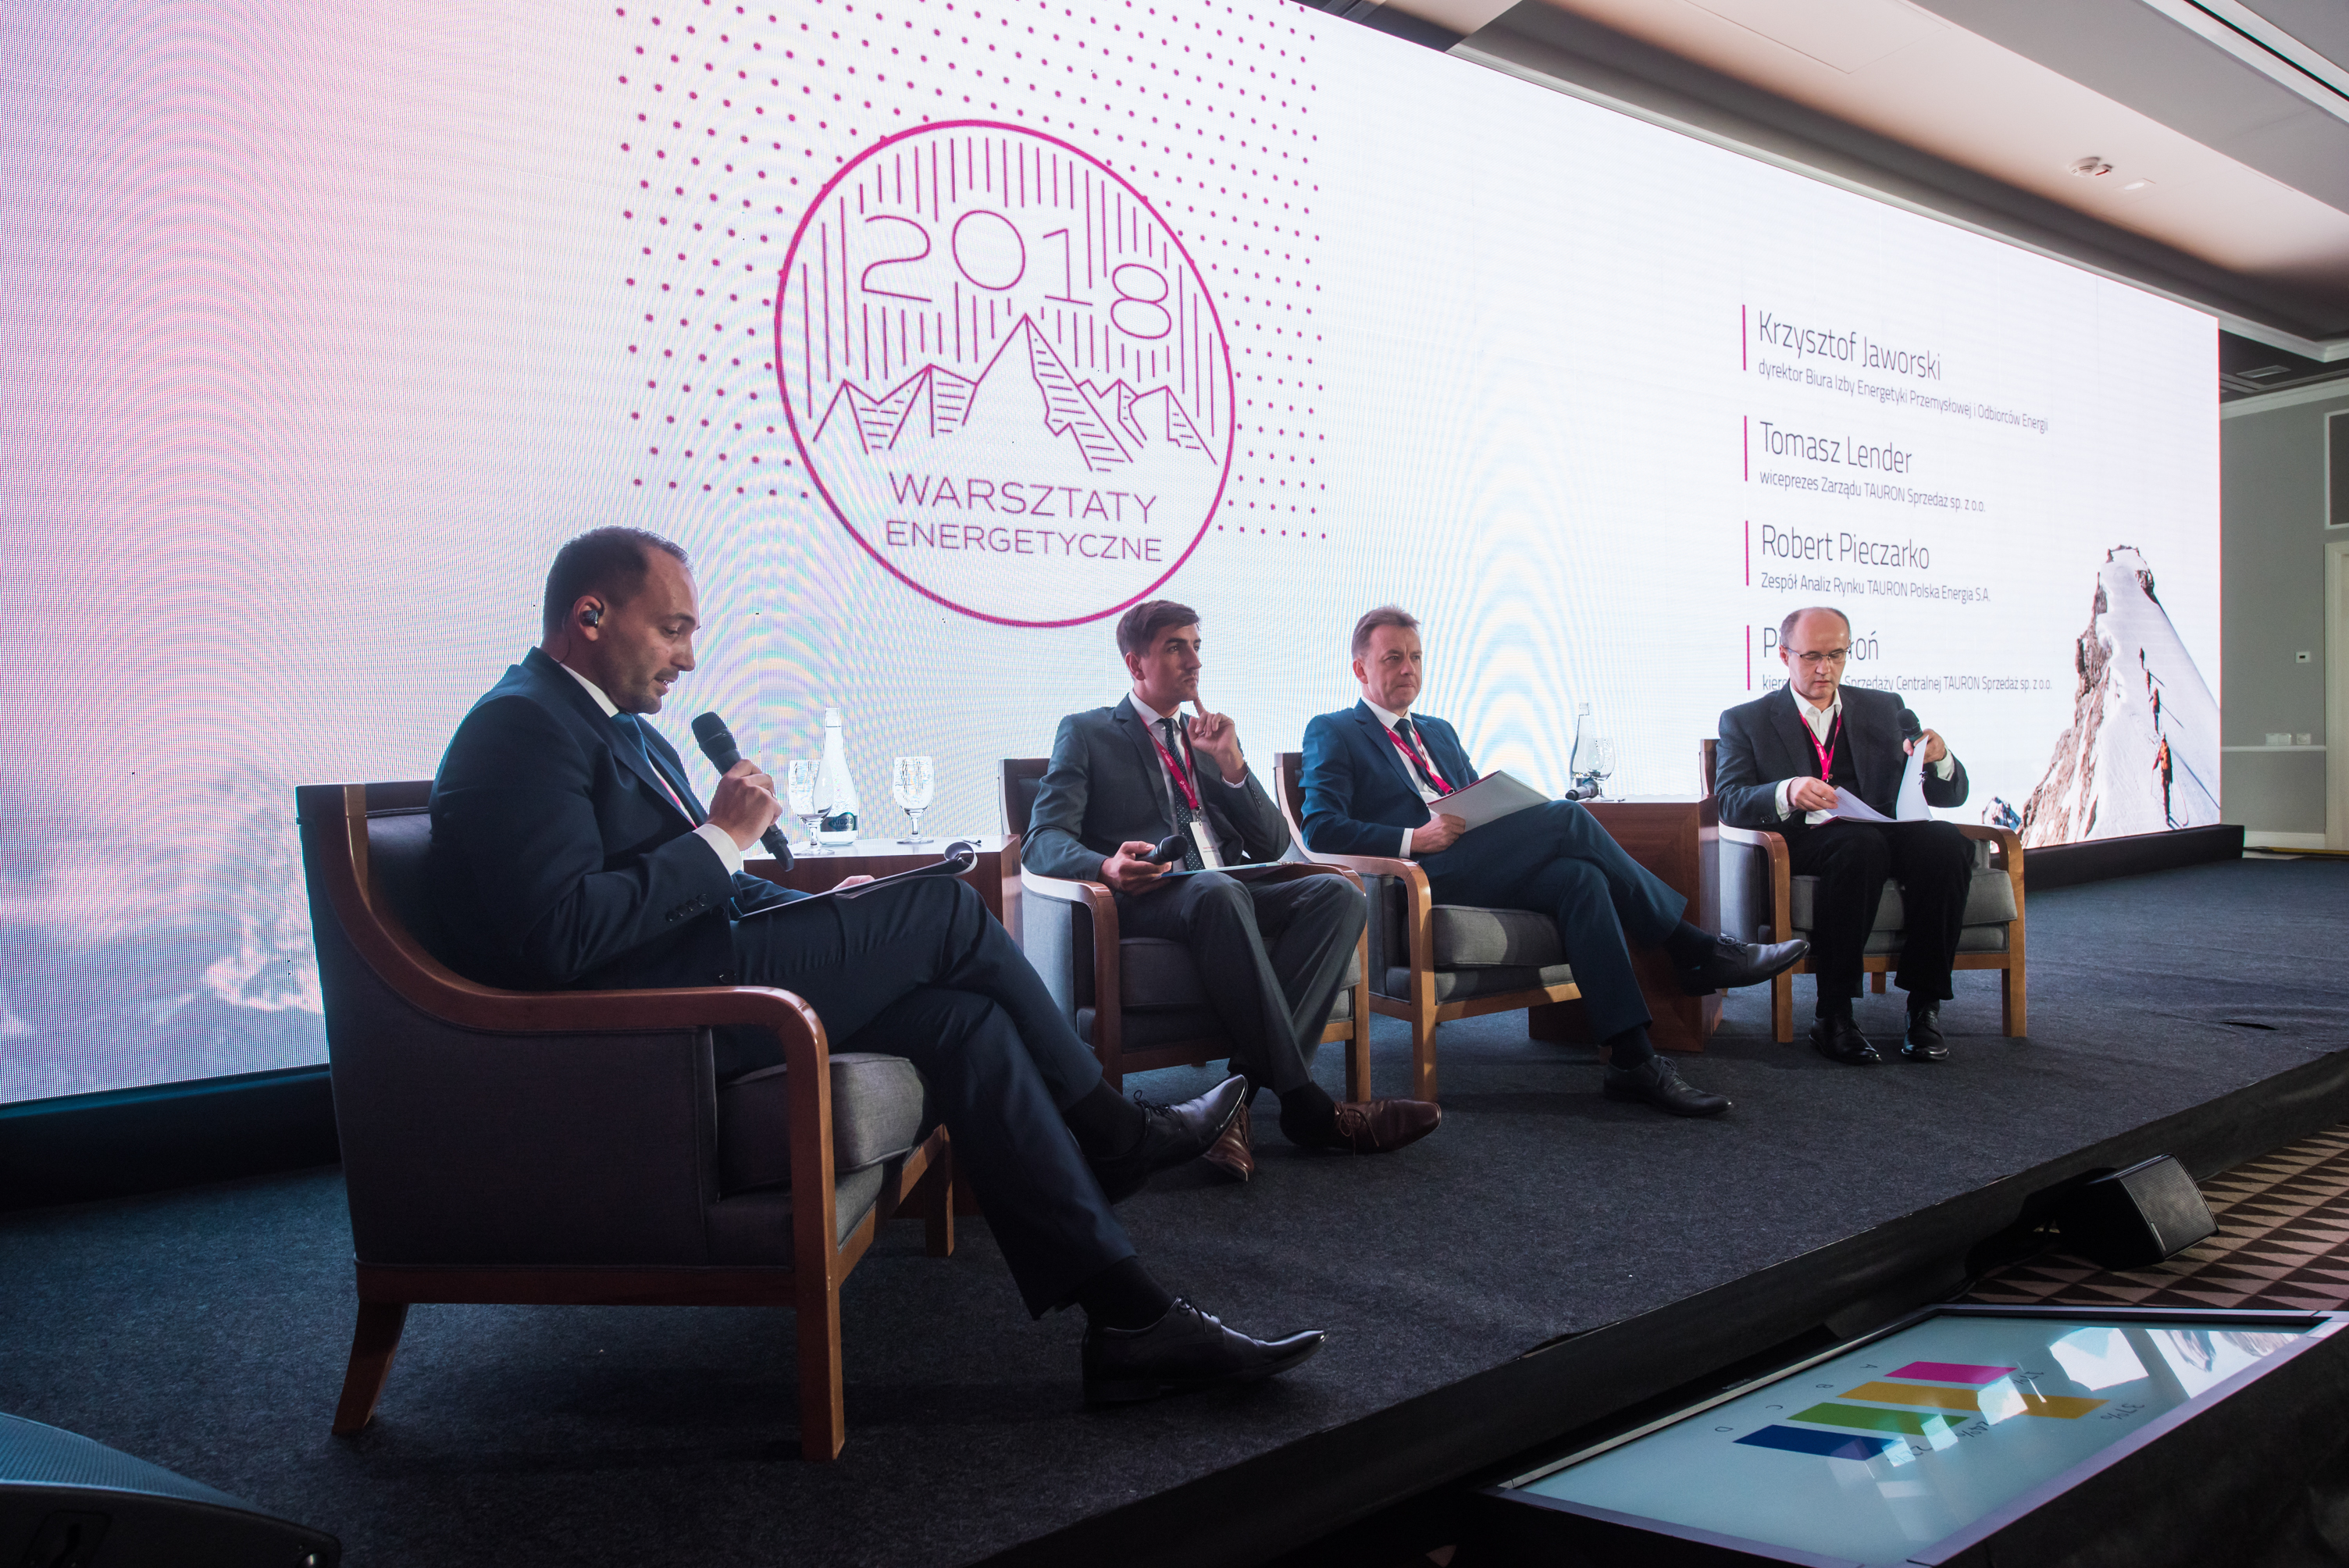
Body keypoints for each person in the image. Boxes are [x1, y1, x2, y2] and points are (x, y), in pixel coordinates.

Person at [427, 527, 1321, 1402]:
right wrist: (721, 837)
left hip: (704, 976)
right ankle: (1115, 1130)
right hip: (649, 1022)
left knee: (962, 1020)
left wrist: (828, 906)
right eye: (672, 630)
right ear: (590, 614)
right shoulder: (520, 725)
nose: (689, 659)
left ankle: (1127, 1317)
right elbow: (560, 937)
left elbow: (712, 893)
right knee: (943, 906)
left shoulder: (624, 732)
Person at [1300, 607, 1805, 1117]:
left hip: (1478, 862)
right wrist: (1414, 838)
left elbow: (1471, 802)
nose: (1408, 668)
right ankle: (1693, 948)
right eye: (1393, 658)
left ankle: (1632, 1059)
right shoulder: (1335, 731)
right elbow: (1319, 828)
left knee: (1580, 878)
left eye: (1415, 656)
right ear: (1360, 669)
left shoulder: (1439, 731)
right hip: (1420, 877)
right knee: (1567, 817)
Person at [1024, 600, 1441, 1180]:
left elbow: (1273, 843)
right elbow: (1042, 839)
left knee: (1339, 893)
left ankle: (1233, 1104)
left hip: (1231, 885)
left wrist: (1231, 763)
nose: (1194, 661)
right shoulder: (1088, 732)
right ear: (1135, 663)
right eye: (1176, 647)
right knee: (1216, 892)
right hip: (1153, 895)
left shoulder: (1205, 736)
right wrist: (1105, 866)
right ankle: (1307, 1107)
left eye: (1197, 646)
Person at [1713, 606, 1974, 1065]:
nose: (1825, 669)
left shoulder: (1884, 709)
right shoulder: (1745, 721)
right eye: (1812, 656)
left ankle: (1924, 1007)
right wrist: (1786, 791)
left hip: (1882, 831)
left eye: (1836, 655)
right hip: (1805, 841)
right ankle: (1833, 1015)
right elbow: (1730, 800)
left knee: (1947, 842)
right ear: (1784, 655)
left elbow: (1951, 795)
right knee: (1858, 846)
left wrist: (1939, 758)